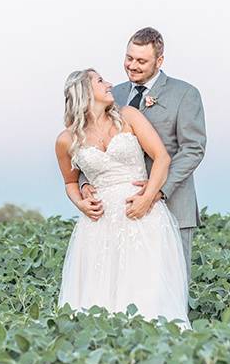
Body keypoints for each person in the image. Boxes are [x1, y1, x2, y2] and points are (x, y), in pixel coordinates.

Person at [54, 69, 190, 328]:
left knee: (146, 288)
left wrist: (148, 197)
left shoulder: (129, 116)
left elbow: (162, 157)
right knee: (100, 292)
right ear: (83, 91)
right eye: (100, 81)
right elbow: (70, 181)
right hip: (99, 225)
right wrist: (80, 202)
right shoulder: (66, 139)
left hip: (142, 215)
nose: (109, 84)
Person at [79, 27, 207, 282]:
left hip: (171, 205)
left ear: (159, 61)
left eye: (141, 61)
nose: (132, 66)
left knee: (169, 285)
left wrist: (156, 191)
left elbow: (193, 149)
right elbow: (90, 143)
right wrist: (84, 184)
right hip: (118, 212)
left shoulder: (185, 94)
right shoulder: (111, 95)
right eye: (129, 58)